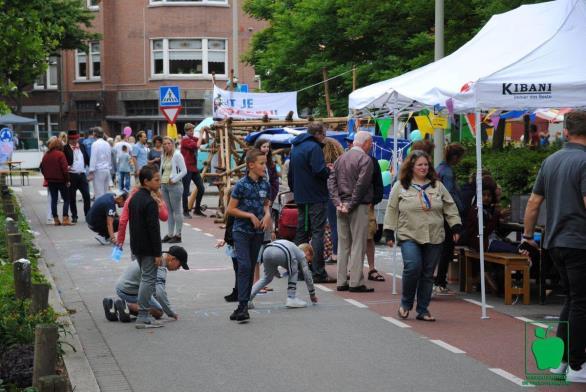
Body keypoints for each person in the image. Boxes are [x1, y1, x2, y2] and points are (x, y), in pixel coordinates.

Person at [522, 110, 586, 382]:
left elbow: (534, 203)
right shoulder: (584, 162)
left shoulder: (551, 160)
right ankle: (577, 365)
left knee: (571, 300)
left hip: (554, 241)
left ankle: (560, 361)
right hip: (580, 241)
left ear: (567, 132)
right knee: (582, 303)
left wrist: (527, 237)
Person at [383, 150, 461, 322]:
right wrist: (389, 231)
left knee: (427, 273)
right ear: (411, 166)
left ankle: (423, 309)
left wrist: (455, 227)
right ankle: (405, 304)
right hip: (409, 234)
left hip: (434, 235)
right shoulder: (400, 186)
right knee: (413, 267)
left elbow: (450, 206)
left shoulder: (437, 186)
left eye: (426, 164)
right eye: (420, 165)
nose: (423, 168)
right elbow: (392, 208)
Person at [226, 149, 271, 322]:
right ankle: (243, 304)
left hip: (257, 232)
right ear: (251, 165)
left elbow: (266, 204)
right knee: (244, 266)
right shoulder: (241, 185)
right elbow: (231, 209)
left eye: (265, 163)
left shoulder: (264, 184)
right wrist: (250, 215)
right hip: (241, 232)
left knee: (251, 267)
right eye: (261, 163)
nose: (264, 166)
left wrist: (267, 215)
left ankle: (242, 306)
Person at [288, 121, 336, 284]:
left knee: (301, 233)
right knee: (317, 234)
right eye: (324, 134)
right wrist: (328, 169)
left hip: (301, 196)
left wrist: (296, 190)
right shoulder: (314, 147)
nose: (325, 138)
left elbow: (290, 174)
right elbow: (319, 171)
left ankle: (296, 270)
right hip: (315, 196)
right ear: (318, 134)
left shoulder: (296, 147)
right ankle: (318, 272)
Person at [328, 131, 374, 292]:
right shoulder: (365, 160)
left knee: (343, 244)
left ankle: (341, 281)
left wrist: (338, 203)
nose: (372, 145)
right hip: (358, 206)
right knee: (357, 244)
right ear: (366, 143)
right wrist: (352, 204)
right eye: (371, 142)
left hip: (341, 206)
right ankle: (355, 281)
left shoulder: (340, 159)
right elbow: (361, 185)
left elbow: (331, 182)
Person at [102, 246, 188, 323]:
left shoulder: (154, 255)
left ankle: (113, 306)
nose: (178, 268)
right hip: (130, 291)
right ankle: (125, 305)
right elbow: (160, 293)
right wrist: (171, 312)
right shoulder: (160, 265)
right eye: (179, 265)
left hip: (122, 287)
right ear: (173, 259)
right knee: (158, 312)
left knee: (154, 304)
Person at [129, 165, 163, 329]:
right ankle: (142, 315)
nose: (159, 182)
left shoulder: (135, 198)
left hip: (137, 245)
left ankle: (143, 314)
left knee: (145, 278)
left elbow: (132, 225)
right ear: (146, 181)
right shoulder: (149, 201)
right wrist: (158, 253)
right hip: (148, 247)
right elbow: (154, 229)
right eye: (156, 180)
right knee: (148, 280)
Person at [433, 143, 466, 295]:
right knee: (446, 249)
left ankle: (437, 280)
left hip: (438, 213)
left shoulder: (439, 168)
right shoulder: (448, 172)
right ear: (455, 157)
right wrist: (460, 209)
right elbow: (449, 195)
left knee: (439, 248)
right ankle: (440, 281)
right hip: (447, 215)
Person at [249, 241, 318, 308]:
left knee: (267, 277)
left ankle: (248, 299)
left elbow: (275, 257)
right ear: (307, 253)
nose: (307, 263)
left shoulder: (292, 248)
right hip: (282, 250)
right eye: (309, 261)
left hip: (267, 250)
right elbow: (307, 274)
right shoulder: (301, 253)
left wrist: (275, 272)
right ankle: (291, 298)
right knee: (294, 271)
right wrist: (312, 294)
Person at [116, 182, 168, 250]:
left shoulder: (130, 199)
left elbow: (122, 221)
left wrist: (120, 241)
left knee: (140, 259)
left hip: (136, 241)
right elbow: (164, 217)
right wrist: (160, 203)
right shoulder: (153, 197)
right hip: (151, 240)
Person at [160, 136, 187, 243]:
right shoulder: (164, 155)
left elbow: (184, 171)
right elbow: (162, 170)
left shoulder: (177, 155)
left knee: (177, 210)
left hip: (175, 185)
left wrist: (174, 179)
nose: (166, 146)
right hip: (164, 185)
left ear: (173, 144)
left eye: (168, 143)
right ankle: (170, 234)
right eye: (164, 144)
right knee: (169, 211)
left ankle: (178, 234)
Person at [322, 137, 345, 264]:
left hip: (329, 196)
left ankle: (334, 253)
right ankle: (338, 252)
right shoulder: (341, 162)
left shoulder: (324, 164)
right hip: (341, 195)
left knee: (332, 225)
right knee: (338, 226)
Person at [40, 137, 71, 226]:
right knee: (66, 199)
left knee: (54, 200)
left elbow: (42, 168)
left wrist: (46, 176)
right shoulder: (60, 154)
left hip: (50, 181)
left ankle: (56, 219)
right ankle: (65, 219)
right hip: (61, 180)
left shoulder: (46, 155)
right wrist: (67, 180)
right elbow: (65, 169)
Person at [63, 130, 91, 224]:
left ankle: (88, 215)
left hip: (82, 175)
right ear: (69, 139)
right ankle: (74, 216)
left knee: (87, 195)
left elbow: (87, 158)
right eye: (72, 139)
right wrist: (66, 167)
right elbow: (63, 162)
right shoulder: (65, 148)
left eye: (76, 139)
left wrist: (91, 170)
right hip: (71, 175)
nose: (75, 141)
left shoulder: (82, 146)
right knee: (72, 197)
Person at [180, 123, 208, 218]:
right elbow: (197, 146)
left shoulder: (192, 138)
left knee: (201, 188)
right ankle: (185, 211)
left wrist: (206, 132)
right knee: (186, 190)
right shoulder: (185, 140)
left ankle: (197, 210)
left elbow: (205, 141)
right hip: (186, 168)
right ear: (186, 131)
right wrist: (201, 134)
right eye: (190, 130)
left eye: (192, 130)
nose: (192, 132)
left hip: (194, 168)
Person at [366, 149, 385, 282]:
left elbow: (379, 185)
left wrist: (373, 201)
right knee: (351, 239)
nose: (350, 145)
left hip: (367, 205)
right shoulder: (346, 159)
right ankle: (351, 269)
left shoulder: (372, 161)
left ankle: (371, 268)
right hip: (349, 206)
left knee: (369, 237)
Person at [215, 212, 238, 302]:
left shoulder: (238, 204)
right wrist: (225, 240)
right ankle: (238, 291)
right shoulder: (233, 204)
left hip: (237, 239)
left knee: (240, 268)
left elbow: (234, 225)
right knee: (237, 267)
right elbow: (230, 224)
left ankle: (239, 292)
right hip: (233, 240)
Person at [88, 127, 112, 199]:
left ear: (94, 134)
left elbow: (93, 158)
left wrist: (91, 171)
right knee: (105, 192)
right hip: (106, 170)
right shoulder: (107, 144)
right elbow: (109, 158)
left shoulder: (95, 144)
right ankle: (104, 209)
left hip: (99, 171)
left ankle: (100, 209)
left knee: (99, 194)